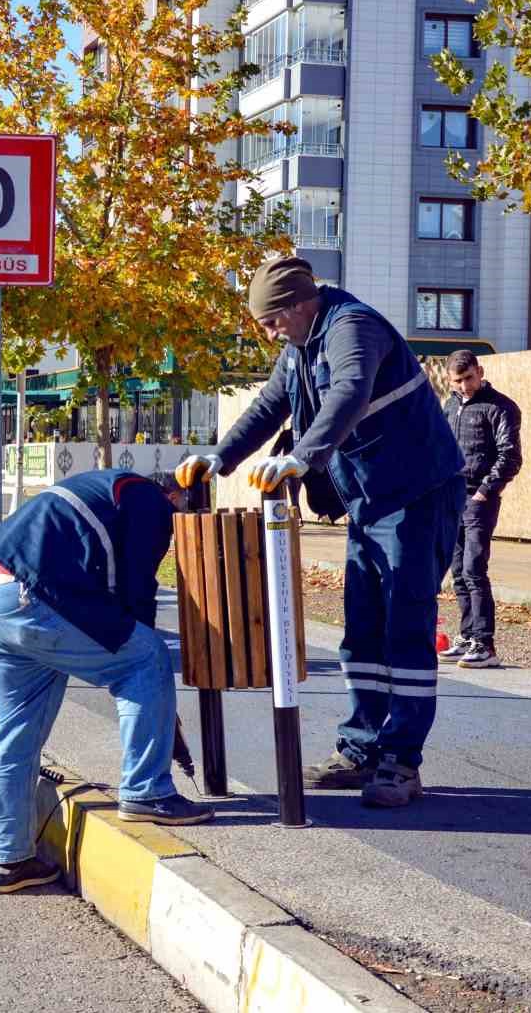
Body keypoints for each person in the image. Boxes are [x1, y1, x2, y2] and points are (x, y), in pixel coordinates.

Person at [175, 256, 464, 808]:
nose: (268, 333)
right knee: (362, 627)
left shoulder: (353, 326)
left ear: (300, 304)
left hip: (419, 496)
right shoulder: (301, 347)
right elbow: (268, 406)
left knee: (405, 628)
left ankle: (400, 762)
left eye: (271, 321)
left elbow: (350, 391)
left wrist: (304, 458)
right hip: (371, 502)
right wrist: (221, 458)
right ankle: (360, 749)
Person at [0, 468, 212, 894]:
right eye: (188, 513)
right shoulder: (147, 498)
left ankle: (9, 860)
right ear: (175, 495)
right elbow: (136, 590)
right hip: (32, 596)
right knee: (146, 657)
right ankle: (147, 791)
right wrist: (153, 693)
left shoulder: (105, 487)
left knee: (18, 731)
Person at [437, 349, 522, 669]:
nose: (464, 386)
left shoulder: (500, 407)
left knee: (474, 568)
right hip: (452, 498)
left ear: (480, 371)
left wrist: (486, 491)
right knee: (458, 571)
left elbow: (510, 456)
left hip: (478, 500)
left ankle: (485, 644)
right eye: (457, 381)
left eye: (469, 378)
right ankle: (468, 635)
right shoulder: (450, 405)